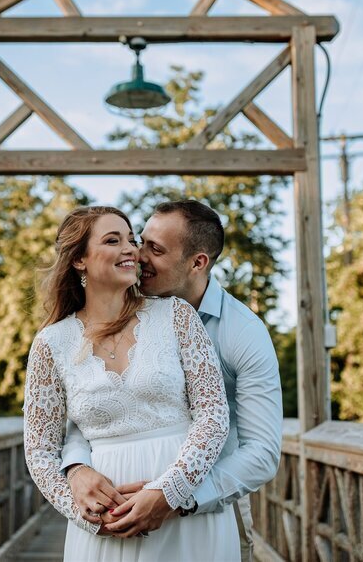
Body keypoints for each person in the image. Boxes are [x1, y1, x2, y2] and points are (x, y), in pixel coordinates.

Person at [61, 200, 283, 562]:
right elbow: (90, 407)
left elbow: (261, 454)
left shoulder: (243, 333)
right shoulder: (114, 311)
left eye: (156, 249)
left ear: (198, 263)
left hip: (206, 510)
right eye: (141, 241)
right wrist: (74, 467)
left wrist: (175, 497)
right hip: (116, 509)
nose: (138, 255)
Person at [23, 205, 239, 561]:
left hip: (183, 510)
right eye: (113, 240)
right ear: (79, 259)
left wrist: (169, 493)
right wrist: (86, 515)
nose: (131, 250)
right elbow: (40, 450)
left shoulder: (176, 316)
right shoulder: (51, 343)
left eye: (131, 239)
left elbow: (213, 415)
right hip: (108, 522)